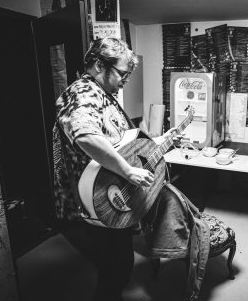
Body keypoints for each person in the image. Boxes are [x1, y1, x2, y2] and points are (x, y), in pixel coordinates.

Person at [52, 37, 176, 301]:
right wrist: (128, 172)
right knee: (116, 269)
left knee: (117, 265)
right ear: (98, 65)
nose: (126, 79)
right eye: (122, 73)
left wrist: (162, 142)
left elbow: (123, 145)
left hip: (113, 193)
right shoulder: (82, 91)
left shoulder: (104, 96)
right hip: (98, 198)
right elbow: (85, 135)